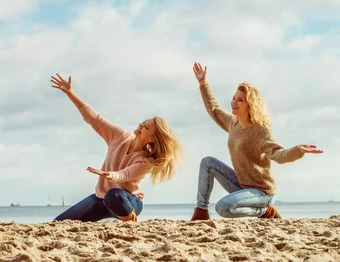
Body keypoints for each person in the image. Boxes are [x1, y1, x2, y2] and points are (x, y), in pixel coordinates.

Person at [190, 62, 323, 220]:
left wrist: (298, 150)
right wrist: (202, 83)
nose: (234, 102)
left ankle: (265, 212)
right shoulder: (233, 123)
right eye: (233, 98)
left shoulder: (260, 131)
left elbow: (279, 154)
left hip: (262, 192)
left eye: (240, 100)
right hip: (242, 186)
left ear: (250, 104)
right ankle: (201, 211)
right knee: (208, 162)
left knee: (223, 208)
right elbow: (214, 109)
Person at [51, 73, 182, 222]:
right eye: (143, 122)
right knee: (58, 223)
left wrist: (110, 175)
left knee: (114, 194)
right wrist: (70, 93)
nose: (140, 125)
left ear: (151, 139)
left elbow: (124, 175)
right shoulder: (120, 136)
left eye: (145, 127)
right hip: (101, 199)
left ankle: (130, 220)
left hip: (127, 202)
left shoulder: (145, 161)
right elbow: (95, 119)